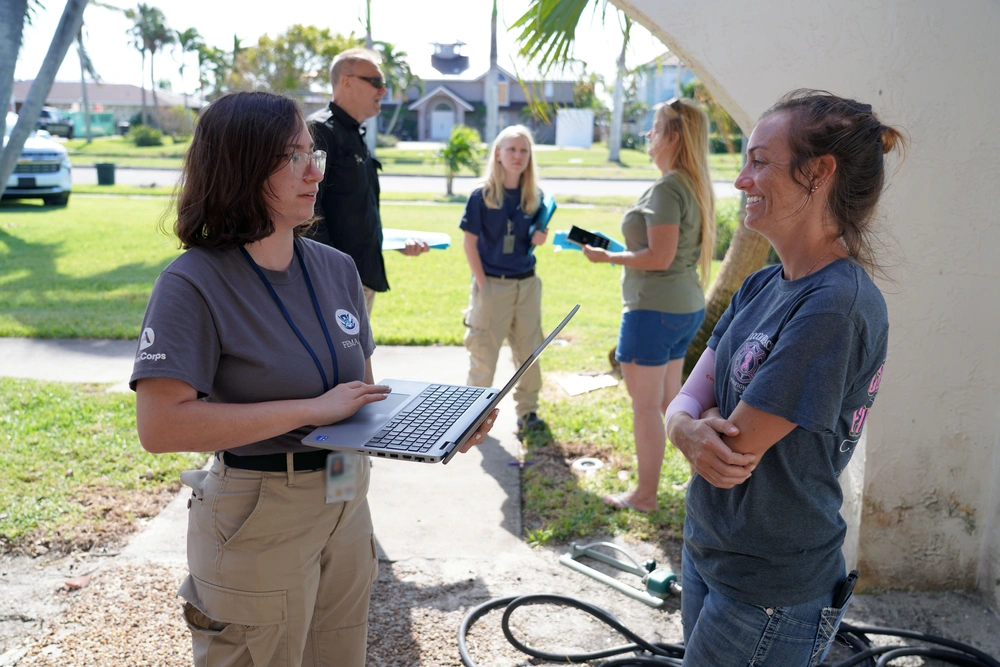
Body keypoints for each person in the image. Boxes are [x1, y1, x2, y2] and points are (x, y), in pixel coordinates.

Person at [130, 91, 496, 667]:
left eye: (313, 155)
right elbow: (160, 425)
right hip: (258, 512)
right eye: (292, 157)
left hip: (348, 500)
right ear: (242, 167)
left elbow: (359, 399)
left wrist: (440, 428)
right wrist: (308, 410)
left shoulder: (336, 268)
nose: (313, 172)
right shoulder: (192, 282)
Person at [664, 89, 904, 666]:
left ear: (819, 174)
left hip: (769, 593)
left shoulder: (835, 306)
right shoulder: (761, 286)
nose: (743, 180)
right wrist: (682, 426)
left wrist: (694, 427)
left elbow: (732, 454)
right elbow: (688, 398)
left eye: (760, 161)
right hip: (711, 553)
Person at [582, 99, 715, 513]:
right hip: (683, 307)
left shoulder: (666, 189)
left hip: (652, 310)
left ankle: (645, 495)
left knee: (646, 407)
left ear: (673, 136)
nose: (648, 136)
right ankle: (704, 481)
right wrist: (624, 252)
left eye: (655, 128)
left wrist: (609, 257)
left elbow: (658, 258)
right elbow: (665, 252)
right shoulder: (690, 184)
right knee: (669, 401)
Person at [307, 48, 429, 316]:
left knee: (356, 358)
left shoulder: (354, 134)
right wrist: (330, 278)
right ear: (346, 82)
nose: (383, 91)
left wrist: (394, 243)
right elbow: (308, 214)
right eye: (376, 82)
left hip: (358, 278)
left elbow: (353, 212)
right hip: (333, 283)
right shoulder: (319, 132)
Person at [460, 125, 549, 434]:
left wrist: (539, 237)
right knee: (484, 354)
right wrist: (484, 285)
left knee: (529, 352)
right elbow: (469, 244)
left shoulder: (534, 197)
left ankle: (528, 414)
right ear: (498, 154)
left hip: (526, 285)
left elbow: (530, 239)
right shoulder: (481, 196)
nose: (517, 156)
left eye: (523, 151)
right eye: (511, 149)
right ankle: (472, 420)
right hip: (492, 284)